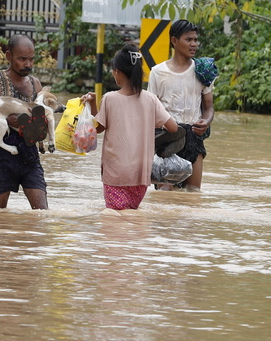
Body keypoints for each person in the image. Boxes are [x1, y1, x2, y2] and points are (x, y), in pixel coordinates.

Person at [82, 44, 179, 210]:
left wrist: (91, 104)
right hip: (140, 174)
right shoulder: (150, 99)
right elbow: (173, 127)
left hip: (116, 174)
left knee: (116, 220)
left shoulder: (110, 98)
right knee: (131, 216)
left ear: (117, 72)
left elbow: (98, 128)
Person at [0, 35, 49, 209]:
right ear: (8, 56)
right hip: (1, 157)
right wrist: (8, 120)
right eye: (22, 59)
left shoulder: (35, 84)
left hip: (30, 157)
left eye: (31, 59)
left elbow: (42, 122)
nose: (28, 64)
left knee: (42, 215)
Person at [147, 20, 214, 192]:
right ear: (174, 41)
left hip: (194, 136)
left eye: (195, 40)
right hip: (166, 138)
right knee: (165, 194)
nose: (194, 44)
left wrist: (205, 122)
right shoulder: (158, 72)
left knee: (193, 193)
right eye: (188, 39)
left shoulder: (204, 71)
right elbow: (149, 110)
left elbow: (209, 108)